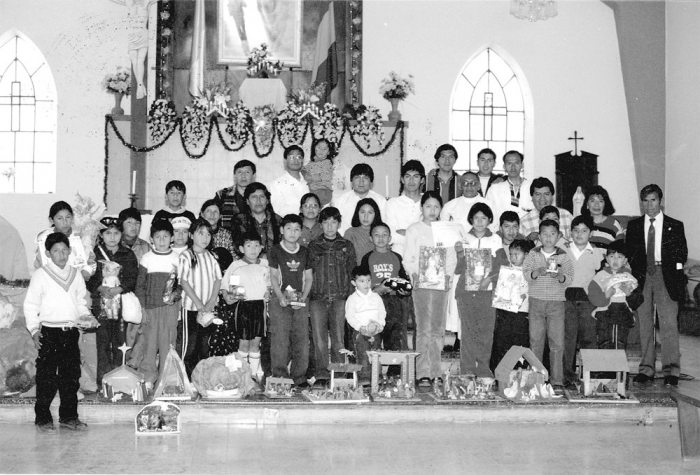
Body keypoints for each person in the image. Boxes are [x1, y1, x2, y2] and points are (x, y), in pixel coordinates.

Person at [24, 232, 92, 432]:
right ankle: (43, 418)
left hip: (70, 332)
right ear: (48, 253)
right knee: (46, 376)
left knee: (71, 376)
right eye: (56, 251)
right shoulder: (40, 275)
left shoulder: (75, 274)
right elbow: (30, 305)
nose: (61, 255)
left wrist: (86, 317)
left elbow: (80, 302)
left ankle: (69, 417)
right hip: (49, 332)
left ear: (70, 251)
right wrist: (34, 330)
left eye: (64, 250)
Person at [626, 184, 687, 387]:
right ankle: (646, 369)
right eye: (645, 201)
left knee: (668, 323)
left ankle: (671, 370)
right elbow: (630, 253)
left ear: (660, 201)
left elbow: (682, 253)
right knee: (644, 324)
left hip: (666, 276)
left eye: (653, 200)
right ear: (641, 203)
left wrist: (675, 273)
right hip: (643, 277)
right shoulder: (634, 226)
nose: (649, 205)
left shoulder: (675, 225)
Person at [403, 191, 455, 386]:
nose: (432, 211)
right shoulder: (414, 229)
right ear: (421, 208)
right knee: (423, 327)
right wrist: (414, 274)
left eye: (436, 207)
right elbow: (408, 257)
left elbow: (451, 257)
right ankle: (422, 371)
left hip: (441, 284)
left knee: (437, 328)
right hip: (421, 283)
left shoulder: (445, 229)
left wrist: (448, 276)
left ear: (441, 209)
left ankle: (436, 370)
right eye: (428, 206)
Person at [86, 216, 138, 387]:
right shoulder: (94, 254)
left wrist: (119, 288)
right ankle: (103, 383)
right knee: (102, 343)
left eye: (116, 233)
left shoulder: (128, 254)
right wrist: (100, 288)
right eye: (108, 233)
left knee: (119, 343)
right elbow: (89, 277)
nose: (112, 237)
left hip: (121, 306)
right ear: (101, 235)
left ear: (121, 234)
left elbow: (133, 278)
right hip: (100, 305)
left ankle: (118, 381)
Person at [523, 219, 574, 390]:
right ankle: (536, 379)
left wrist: (559, 276)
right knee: (535, 341)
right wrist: (536, 272)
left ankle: (557, 379)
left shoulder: (563, 255)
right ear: (539, 236)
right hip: (536, 301)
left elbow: (569, 277)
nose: (548, 238)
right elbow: (526, 274)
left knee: (557, 343)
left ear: (558, 236)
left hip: (556, 303)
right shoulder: (533, 254)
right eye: (544, 234)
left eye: (552, 234)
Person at [454, 203, 504, 378]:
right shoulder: (463, 238)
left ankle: (483, 368)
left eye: (484, 218)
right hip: (466, 292)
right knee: (467, 331)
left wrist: (489, 280)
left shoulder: (496, 239)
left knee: (486, 331)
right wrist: (460, 253)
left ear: (490, 220)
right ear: (471, 219)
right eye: (476, 218)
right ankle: (467, 369)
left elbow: (501, 264)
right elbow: (458, 269)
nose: (480, 222)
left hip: (487, 292)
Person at [307, 207, 356, 385]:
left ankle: (339, 375)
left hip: (339, 298)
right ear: (321, 224)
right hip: (317, 297)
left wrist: (350, 298)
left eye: (333, 222)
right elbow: (308, 273)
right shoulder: (313, 246)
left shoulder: (347, 246)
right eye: (326, 222)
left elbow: (352, 273)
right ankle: (322, 374)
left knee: (338, 339)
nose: (329, 226)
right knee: (319, 340)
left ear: (339, 224)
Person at [218, 232, 271, 380]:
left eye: (256, 245)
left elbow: (272, 283)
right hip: (243, 308)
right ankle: (242, 376)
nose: (253, 249)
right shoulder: (236, 266)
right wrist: (226, 295)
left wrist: (269, 292)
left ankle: (253, 376)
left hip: (260, 307)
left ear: (261, 247)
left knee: (256, 343)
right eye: (249, 245)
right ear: (241, 249)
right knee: (244, 342)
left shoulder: (266, 264)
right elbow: (225, 285)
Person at [134, 218, 181, 385]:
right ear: (151, 239)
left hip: (170, 309)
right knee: (149, 345)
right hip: (150, 309)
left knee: (168, 344)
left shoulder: (177, 258)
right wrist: (142, 308)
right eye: (158, 237)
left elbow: (181, 285)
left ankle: (167, 381)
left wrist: (175, 297)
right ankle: (147, 378)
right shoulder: (146, 258)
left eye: (165, 236)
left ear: (172, 238)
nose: (162, 240)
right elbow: (140, 285)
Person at [360, 222, 411, 374]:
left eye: (384, 235)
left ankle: (394, 374)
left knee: (395, 338)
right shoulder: (367, 258)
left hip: (394, 302)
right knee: (374, 337)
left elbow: (403, 279)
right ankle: (373, 374)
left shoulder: (396, 257)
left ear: (390, 238)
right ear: (371, 238)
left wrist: (404, 291)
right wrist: (376, 290)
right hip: (375, 302)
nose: (381, 238)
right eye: (376, 235)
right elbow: (362, 282)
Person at [268, 214, 313, 386]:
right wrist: (280, 297)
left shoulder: (305, 252)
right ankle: (280, 377)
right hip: (280, 299)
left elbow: (308, 278)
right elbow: (273, 276)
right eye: (288, 229)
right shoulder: (275, 250)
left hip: (300, 299)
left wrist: (303, 297)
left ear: (301, 232)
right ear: (281, 230)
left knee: (301, 338)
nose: (292, 233)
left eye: (296, 229)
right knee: (280, 339)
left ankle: (299, 377)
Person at [563, 215, 605, 387]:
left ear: (591, 233)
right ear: (570, 232)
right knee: (568, 338)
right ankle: (567, 375)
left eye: (584, 231)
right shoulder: (563, 250)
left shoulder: (597, 253)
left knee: (589, 337)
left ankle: (591, 375)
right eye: (576, 230)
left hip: (588, 300)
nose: (579, 234)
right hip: (567, 300)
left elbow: (601, 275)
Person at [177, 218, 222, 375]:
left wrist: (210, 302)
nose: (205, 238)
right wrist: (199, 304)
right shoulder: (186, 256)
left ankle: (201, 378)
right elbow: (183, 281)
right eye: (201, 233)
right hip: (191, 308)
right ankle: (186, 379)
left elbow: (218, 280)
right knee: (189, 346)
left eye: (208, 234)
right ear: (191, 235)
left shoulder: (212, 256)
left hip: (208, 310)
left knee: (204, 345)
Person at [490, 239, 534, 370]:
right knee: (501, 340)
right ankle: (499, 371)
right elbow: (500, 290)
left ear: (526, 255)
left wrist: (524, 295)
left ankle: (518, 370)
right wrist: (496, 294)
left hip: (522, 313)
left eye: (517, 254)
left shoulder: (530, 273)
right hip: (505, 312)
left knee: (519, 341)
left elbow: (531, 291)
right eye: (511, 254)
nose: (513, 257)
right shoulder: (506, 270)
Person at [588, 239, 638, 350]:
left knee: (620, 342)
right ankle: (605, 362)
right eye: (611, 256)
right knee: (604, 342)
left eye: (619, 257)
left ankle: (618, 361)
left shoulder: (629, 277)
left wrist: (628, 293)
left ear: (625, 260)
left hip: (623, 313)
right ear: (606, 258)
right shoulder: (600, 276)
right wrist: (606, 295)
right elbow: (592, 295)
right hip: (604, 314)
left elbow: (637, 299)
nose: (615, 260)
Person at [345, 265, 386, 386]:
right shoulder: (352, 299)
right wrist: (360, 327)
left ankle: (377, 377)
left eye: (368, 280)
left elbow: (382, 312)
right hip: (360, 332)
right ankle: (364, 378)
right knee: (362, 353)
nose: (366, 284)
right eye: (362, 281)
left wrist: (380, 325)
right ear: (354, 283)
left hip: (376, 331)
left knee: (376, 354)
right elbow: (350, 316)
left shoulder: (376, 297)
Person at [330, 163, 386, 235]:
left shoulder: (380, 200)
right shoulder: (341, 200)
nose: (361, 181)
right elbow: (337, 226)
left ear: (371, 181)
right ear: (351, 181)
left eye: (365, 178)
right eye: (357, 177)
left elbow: (384, 224)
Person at [385, 160, 425, 257]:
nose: (411, 181)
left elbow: (432, 235)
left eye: (416, 176)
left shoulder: (428, 202)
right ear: (402, 179)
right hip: (398, 256)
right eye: (407, 176)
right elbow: (390, 237)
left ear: (422, 180)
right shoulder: (392, 203)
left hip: (423, 255)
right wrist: (418, 235)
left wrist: (405, 232)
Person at [233, 182, 281, 258]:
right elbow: (238, 247)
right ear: (247, 201)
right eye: (254, 197)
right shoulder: (239, 220)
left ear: (267, 200)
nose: (258, 201)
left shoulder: (278, 221)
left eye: (262, 197)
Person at [519, 177, 574, 242]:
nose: (542, 198)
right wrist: (527, 239)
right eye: (538, 194)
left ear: (552, 196)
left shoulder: (566, 216)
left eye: (546, 194)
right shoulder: (524, 222)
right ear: (532, 197)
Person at [485, 150, 534, 220]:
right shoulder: (494, 189)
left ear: (522, 165)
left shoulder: (532, 186)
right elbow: (488, 213)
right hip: (501, 226)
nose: (513, 167)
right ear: (504, 166)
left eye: (516, 163)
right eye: (509, 163)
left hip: (528, 226)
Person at [269, 145, 310, 217]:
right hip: (289, 222)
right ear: (285, 160)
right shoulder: (277, 184)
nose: (295, 160)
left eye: (299, 157)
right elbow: (278, 210)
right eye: (291, 157)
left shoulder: (309, 181)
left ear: (302, 160)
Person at [215, 159, 256, 230]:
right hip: (227, 235)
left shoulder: (260, 195)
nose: (243, 176)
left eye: (247, 172)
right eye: (239, 172)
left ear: (253, 175)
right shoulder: (222, 195)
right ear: (235, 176)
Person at [344, 198, 382, 265]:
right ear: (357, 213)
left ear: (375, 214)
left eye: (370, 213)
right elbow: (346, 259)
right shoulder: (350, 233)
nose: (366, 216)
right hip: (357, 270)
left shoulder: (381, 232)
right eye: (362, 212)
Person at [302, 138, 336, 206]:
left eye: (324, 149)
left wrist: (309, 177)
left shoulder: (327, 163)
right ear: (314, 148)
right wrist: (303, 171)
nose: (321, 151)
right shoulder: (312, 162)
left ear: (328, 152)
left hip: (323, 191)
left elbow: (322, 177)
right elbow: (304, 170)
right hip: (314, 190)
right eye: (319, 147)